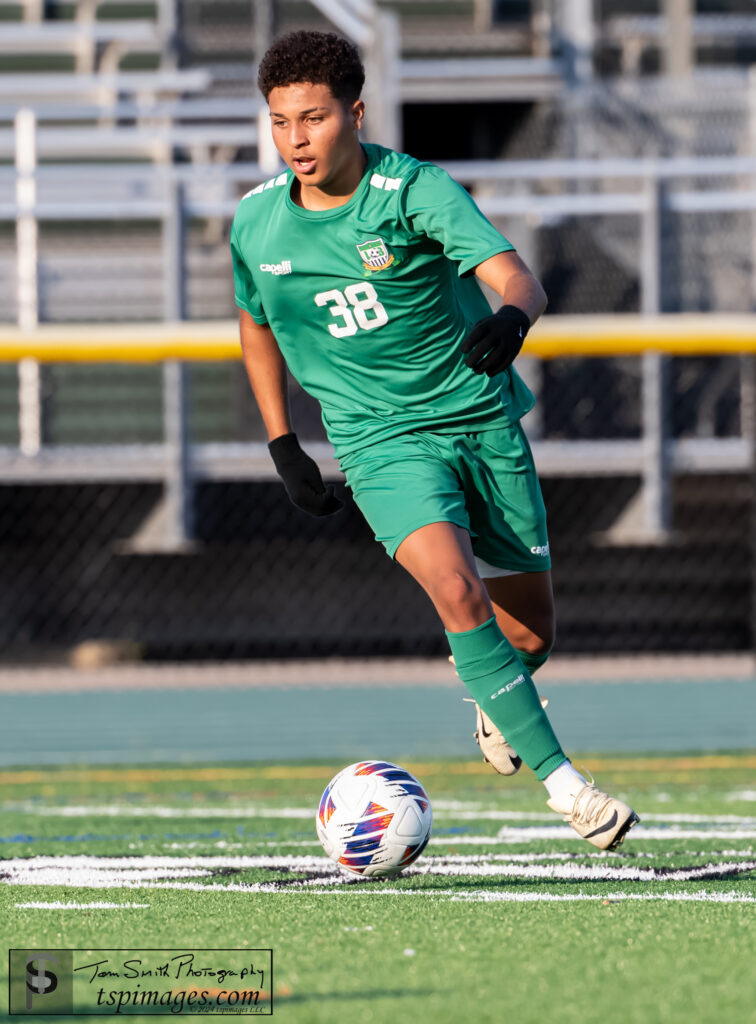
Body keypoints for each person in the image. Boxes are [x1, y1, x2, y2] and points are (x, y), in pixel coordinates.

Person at [231, 30, 640, 850]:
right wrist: (282, 442)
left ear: (355, 112)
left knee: (528, 636)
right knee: (457, 594)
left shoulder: (414, 189)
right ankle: (570, 790)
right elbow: (254, 323)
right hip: (380, 441)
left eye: (313, 119)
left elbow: (514, 274)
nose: (296, 141)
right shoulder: (258, 225)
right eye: (280, 123)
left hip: (480, 420)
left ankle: (499, 702)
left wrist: (514, 318)